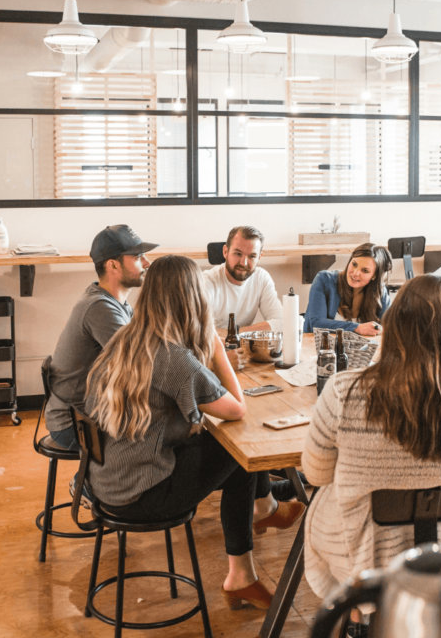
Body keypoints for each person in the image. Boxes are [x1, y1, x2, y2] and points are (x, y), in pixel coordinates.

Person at [84, 255, 304, 610]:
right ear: (193, 300)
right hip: (142, 494)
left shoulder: (125, 339)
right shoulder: (173, 357)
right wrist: (216, 345)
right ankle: (251, 546)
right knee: (236, 449)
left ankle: (253, 545)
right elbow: (236, 407)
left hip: (107, 481)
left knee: (225, 450)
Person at [302, 275, 441, 603]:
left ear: (394, 322)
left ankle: (360, 606)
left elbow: (315, 474)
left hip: (361, 548)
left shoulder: (345, 390)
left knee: (325, 501)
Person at [44, 225, 157, 450]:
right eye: (137, 257)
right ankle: (92, 484)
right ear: (113, 265)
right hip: (76, 426)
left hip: (90, 415)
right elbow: (142, 364)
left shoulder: (116, 304)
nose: (147, 263)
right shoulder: (100, 308)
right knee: (168, 436)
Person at [203, 225, 283, 370]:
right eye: (238, 254)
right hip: (211, 358)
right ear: (225, 251)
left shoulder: (262, 278)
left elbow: (281, 323)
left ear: (259, 257)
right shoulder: (207, 282)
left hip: (245, 357)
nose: (243, 263)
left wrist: (236, 335)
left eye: (252, 256)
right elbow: (198, 331)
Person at [303, 243, 393, 336]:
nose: (356, 273)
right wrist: (356, 327)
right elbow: (316, 324)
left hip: (362, 349)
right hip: (317, 348)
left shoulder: (379, 290)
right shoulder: (324, 279)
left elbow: (390, 326)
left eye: (365, 271)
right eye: (354, 264)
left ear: (374, 275)